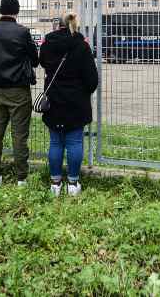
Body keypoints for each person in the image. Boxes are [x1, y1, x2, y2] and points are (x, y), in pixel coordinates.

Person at [39, 12, 98, 196]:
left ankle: (55, 184)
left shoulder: (48, 44)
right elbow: (92, 80)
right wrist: (82, 91)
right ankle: (73, 184)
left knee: (55, 142)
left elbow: (43, 63)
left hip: (54, 101)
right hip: (76, 102)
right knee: (74, 141)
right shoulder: (82, 46)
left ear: (59, 25)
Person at [0, 0, 39, 186]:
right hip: (19, 89)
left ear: (1, 9)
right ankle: (21, 177)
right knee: (19, 135)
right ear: (16, 10)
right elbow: (35, 59)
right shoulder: (23, 32)